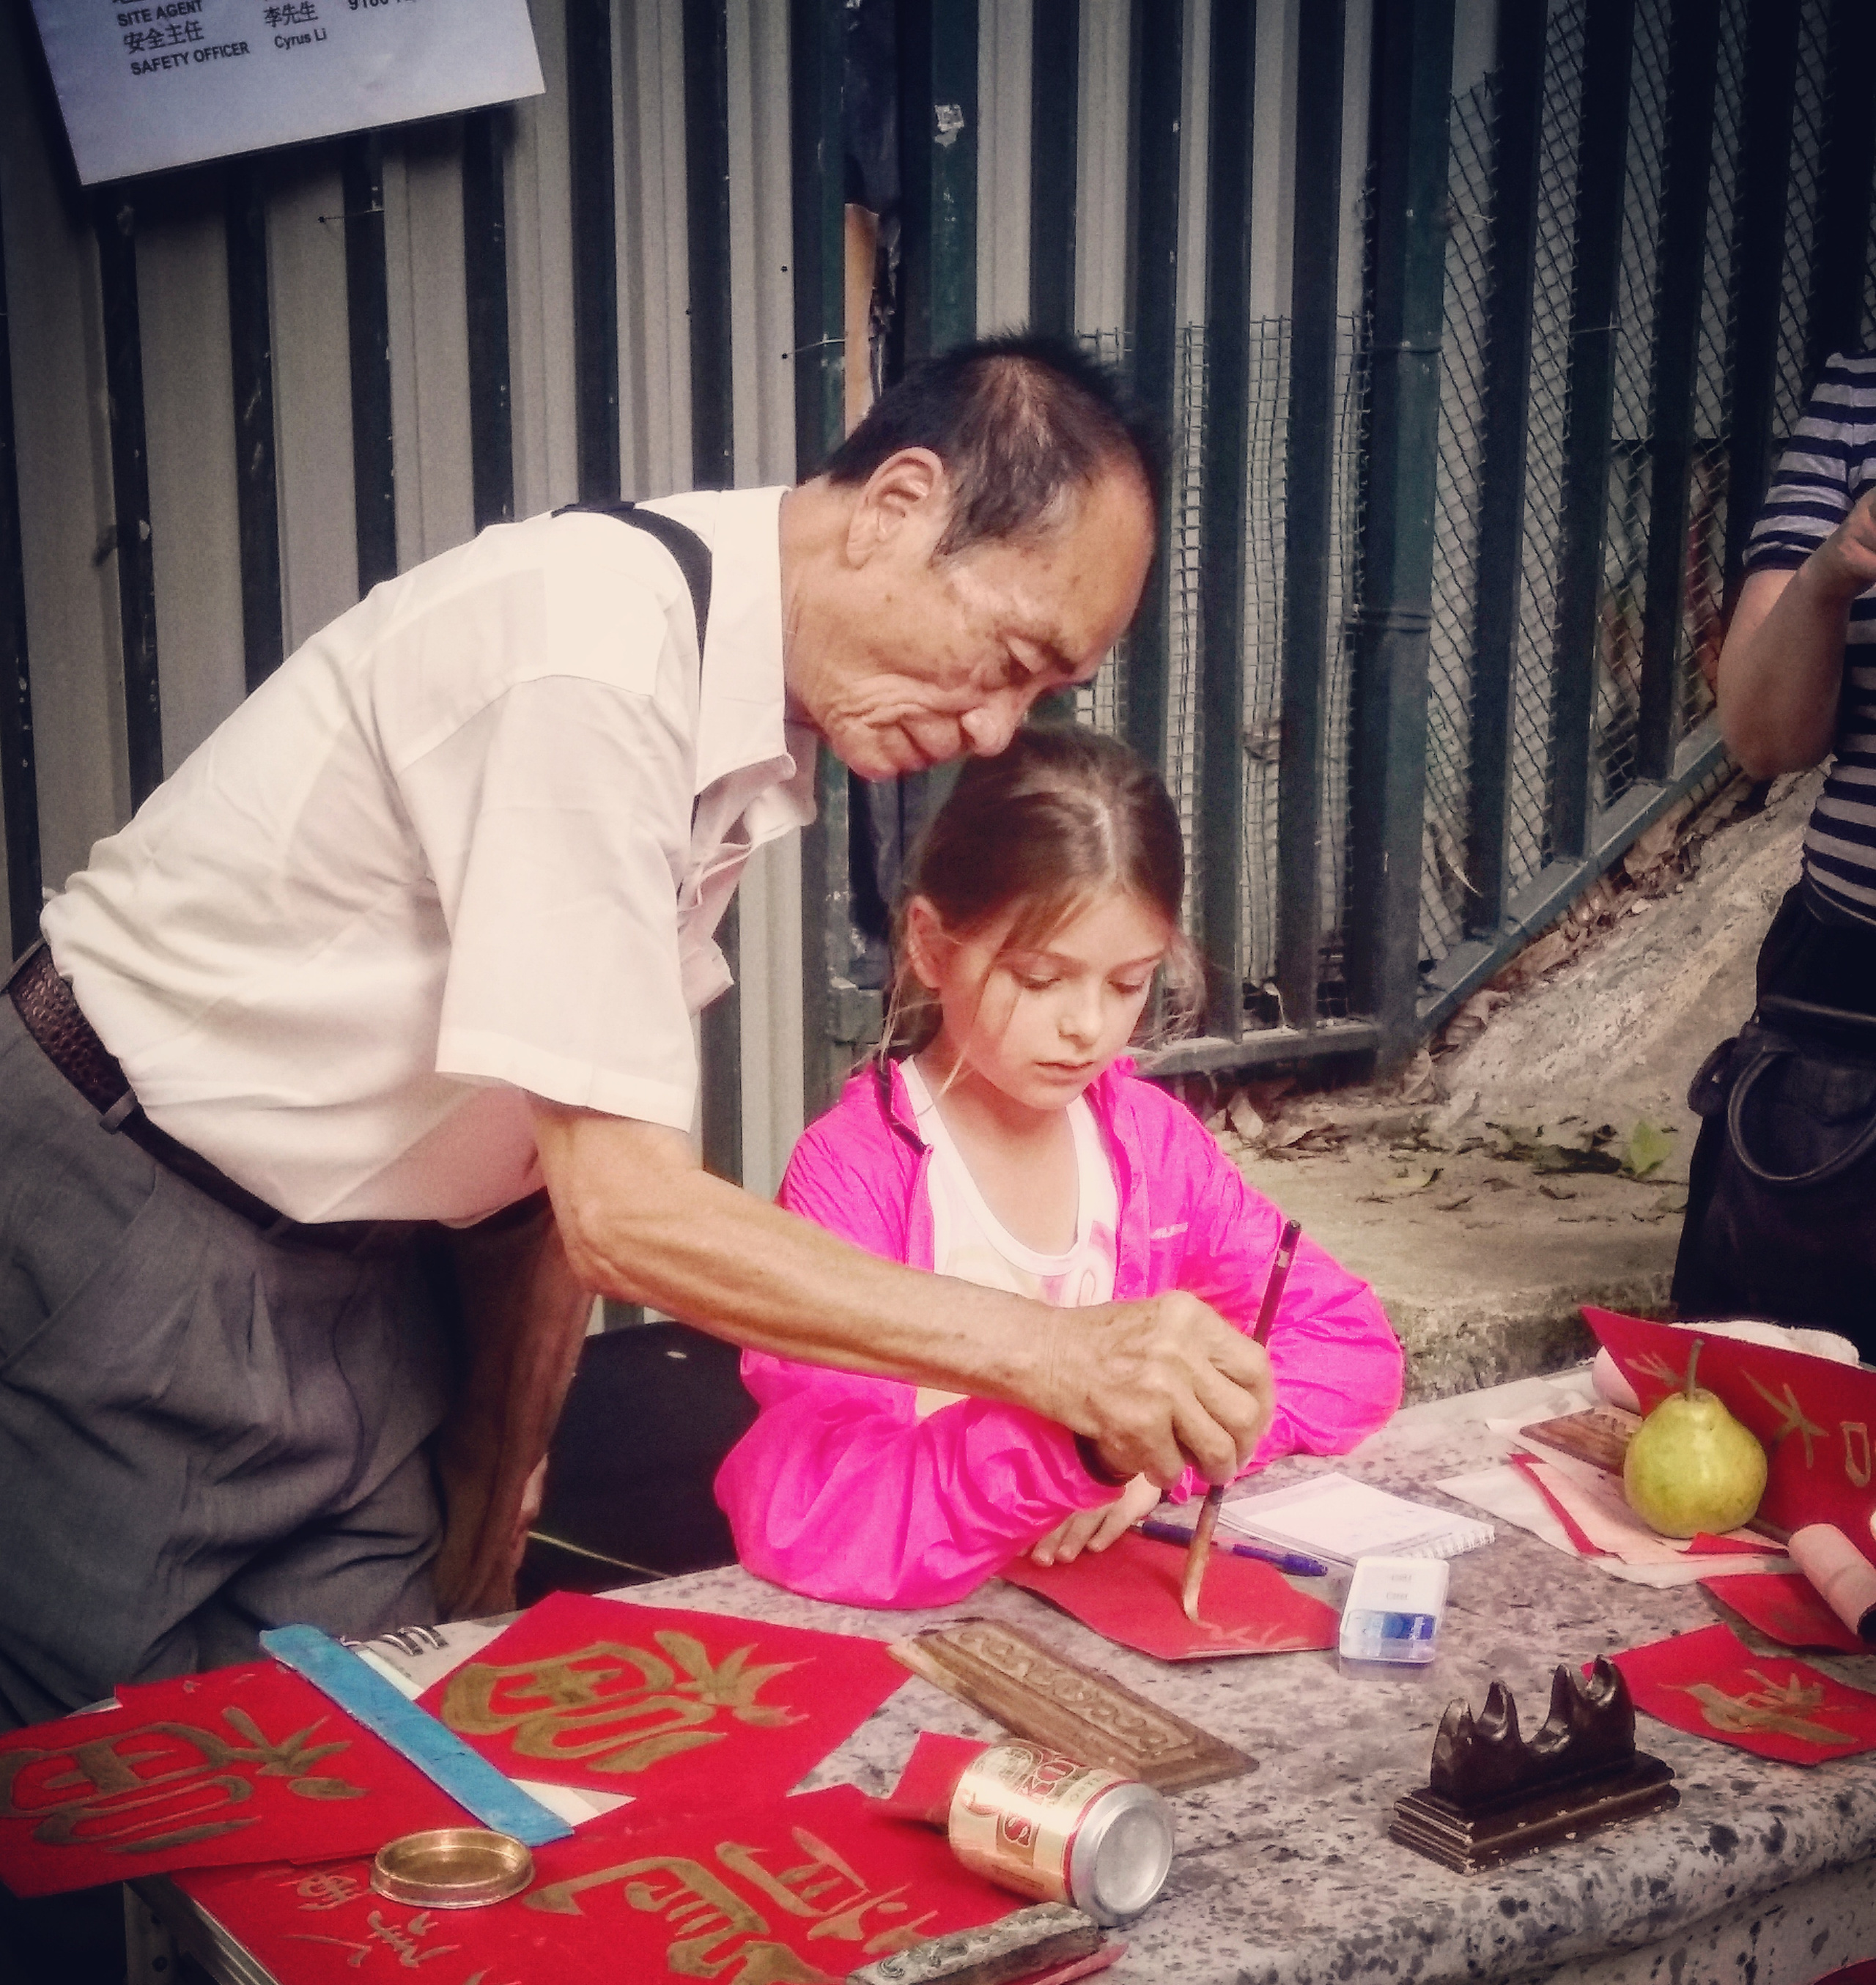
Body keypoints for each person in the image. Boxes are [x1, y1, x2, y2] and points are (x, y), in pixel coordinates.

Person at [0, 335, 1280, 1734]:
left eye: (1043, 697)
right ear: (898, 506)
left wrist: (502, 1469)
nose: (994, 731)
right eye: (1010, 660)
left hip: (364, 1283)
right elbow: (628, 1212)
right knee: (73, 1820)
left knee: (363, 1778)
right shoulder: (591, 663)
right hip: (122, 1227)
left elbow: (555, 1161)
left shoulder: (725, 708)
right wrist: (1063, 1353)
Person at [717, 725, 1403, 1607]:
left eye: (1127, 983)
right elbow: (810, 1512)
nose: (1088, 1025)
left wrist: (1167, 1456)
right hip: (927, 1636)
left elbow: (1345, 1343)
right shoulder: (857, 1174)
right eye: (1040, 978)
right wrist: (1079, 1451)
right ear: (930, 944)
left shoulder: (1151, 1149)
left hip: (1109, 1613)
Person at [1673, 347, 1876, 1353]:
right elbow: (1763, 738)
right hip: (1844, 1016)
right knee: (1782, 1419)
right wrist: (1836, 571)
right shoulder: (1861, 397)